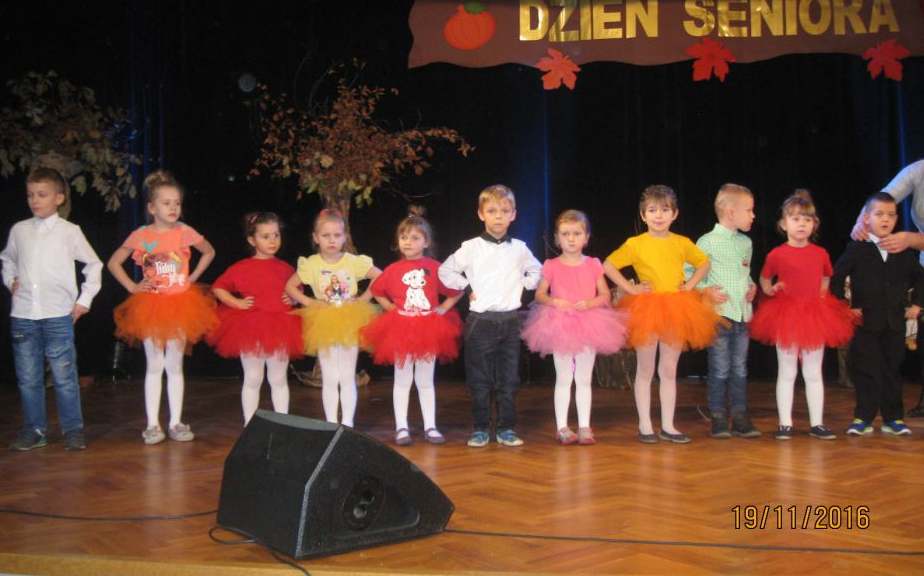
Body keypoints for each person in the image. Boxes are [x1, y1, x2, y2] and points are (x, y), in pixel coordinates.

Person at [109, 170, 217, 445]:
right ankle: (152, 424)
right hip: (151, 306)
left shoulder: (184, 232)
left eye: (177, 203)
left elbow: (209, 251)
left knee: (175, 365)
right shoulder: (141, 235)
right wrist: (132, 286)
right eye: (166, 203)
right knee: (155, 364)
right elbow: (114, 262)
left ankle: (176, 422)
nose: (173, 208)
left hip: (181, 304)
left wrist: (192, 277)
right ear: (152, 207)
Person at [604, 184, 718, 444]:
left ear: (674, 214)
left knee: (668, 369)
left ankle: (668, 425)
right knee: (645, 369)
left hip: (676, 308)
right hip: (646, 310)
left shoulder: (682, 242)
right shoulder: (635, 244)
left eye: (665, 210)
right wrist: (631, 288)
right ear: (643, 215)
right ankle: (645, 425)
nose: (658, 215)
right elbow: (608, 265)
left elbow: (704, 263)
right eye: (652, 210)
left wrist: (690, 285)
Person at [1, 167, 102, 451]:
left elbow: (94, 264)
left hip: (58, 315)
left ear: (59, 198)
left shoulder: (69, 232)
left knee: (64, 376)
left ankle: (73, 430)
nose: (35, 200)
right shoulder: (19, 230)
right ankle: (34, 430)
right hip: (24, 316)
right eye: (30, 195)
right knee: (28, 378)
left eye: (42, 194)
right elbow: (7, 259)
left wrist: (84, 301)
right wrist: (10, 280)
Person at [439, 184, 541, 447]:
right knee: (479, 378)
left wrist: (525, 284)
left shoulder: (520, 248)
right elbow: (445, 271)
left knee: (509, 378)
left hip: (510, 321)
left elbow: (537, 271)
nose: (498, 216)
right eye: (492, 211)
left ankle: (506, 428)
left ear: (513, 215)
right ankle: (481, 428)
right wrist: (466, 287)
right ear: (481, 214)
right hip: (480, 322)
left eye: (504, 211)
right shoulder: (471, 247)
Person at [750, 190, 856, 441]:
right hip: (785, 315)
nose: (801, 224)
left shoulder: (820, 253)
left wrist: (821, 295)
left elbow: (826, 276)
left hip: (813, 316)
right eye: (796, 219)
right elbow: (764, 278)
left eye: (807, 219)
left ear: (814, 224)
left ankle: (817, 423)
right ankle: (785, 423)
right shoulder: (777, 254)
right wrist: (770, 289)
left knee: (813, 372)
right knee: (787, 371)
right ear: (783, 224)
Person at [521, 209, 627, 445]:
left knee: (584, 378)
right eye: (565, 234)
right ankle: (562, 427)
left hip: (589, 323)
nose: (571, 239)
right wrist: (555, 301)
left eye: (577, 234)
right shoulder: (551, 265)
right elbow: (539, 294)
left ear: (586, 237)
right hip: (559, 324)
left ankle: (584, 426)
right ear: (557, 238)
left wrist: (589, 303)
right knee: (563, 377)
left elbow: (605, 295)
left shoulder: (593, 264)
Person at [361, 211, 463, 445]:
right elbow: (377, 291)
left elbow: (457, 291)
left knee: (425, 380)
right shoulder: (393, 269)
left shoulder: (435, 267)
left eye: (415, 237)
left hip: (428, 328)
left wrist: (443, 308)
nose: (408, 242)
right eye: (404, 237)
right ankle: (402, 427)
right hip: (401, 329)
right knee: (402, 379)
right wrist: (390, 308)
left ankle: (430, 426)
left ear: (426, 242)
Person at [832, 192, 923, 436]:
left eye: (891, 215)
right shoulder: (857, 248)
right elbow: (837, 277)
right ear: (866, 218)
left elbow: (920, 277)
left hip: (894, 323)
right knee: (866, 370)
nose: (885, 219)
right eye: (879, 214)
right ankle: (863, 417)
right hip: (866, 323)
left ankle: (894, 419)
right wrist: (845, 306)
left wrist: (917, 304)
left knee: (892, 370)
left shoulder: (901, 249)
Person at [285, 209, 380, 428]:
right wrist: (310, 302)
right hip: (323, 321)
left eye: (337, 235)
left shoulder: (353, 261)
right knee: (329, 377)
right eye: (326, 235)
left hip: (349, 319)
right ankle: (330, 423)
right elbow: (290, 286)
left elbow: (380, 276)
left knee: (347, 375)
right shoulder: (311, 264)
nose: (332, 240)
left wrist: (363, 299)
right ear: (316, 237)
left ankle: (347, 423)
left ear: (344, 237)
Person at [209, 212, 302, 425]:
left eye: (276, 235)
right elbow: (218, 287)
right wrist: (236, 303)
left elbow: (298, 289)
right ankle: (249, 423)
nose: (272, 241)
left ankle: (283, 422)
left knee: (278, 378)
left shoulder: (286, 268)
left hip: (281, 327)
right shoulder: (241, 268)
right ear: (252, 240)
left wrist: (292, 297)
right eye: (265, 236)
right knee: (253, 377)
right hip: (251, 328)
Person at [692, 183, 761, 439]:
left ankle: (741, 417)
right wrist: (705, 291)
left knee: (740, 368)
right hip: (720, 315)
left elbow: (744, 272)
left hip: (742, 314)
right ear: (731, 212)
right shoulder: (707, 242)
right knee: (720, 368)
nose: (753, 215)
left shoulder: (746, 242)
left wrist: (752, 286)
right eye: (749, 210)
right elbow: (690, 274)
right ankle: (718, 417)